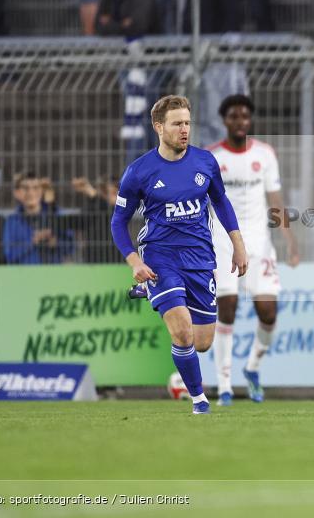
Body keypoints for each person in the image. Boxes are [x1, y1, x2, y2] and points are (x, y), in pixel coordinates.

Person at [110, 95, 248, 415]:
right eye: (177, 124)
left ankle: (149, 291)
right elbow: (118, 221)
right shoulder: (139, 171)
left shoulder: (205, 162)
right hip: (160, 256)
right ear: (159, 127)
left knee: (202, 343)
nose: (184, 129)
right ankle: (200, 401)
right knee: (182, 332)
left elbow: (222, 203)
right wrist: (134, 260)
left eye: (187, 123)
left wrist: (238, 244)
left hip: (200, 257)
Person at [207, 95, 300, 406]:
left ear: (250, 120)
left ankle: (252, 368)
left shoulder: (265, 154)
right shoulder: (212, 157)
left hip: (259, 242)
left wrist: (290, 240)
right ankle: (223, 388)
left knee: (268, 312)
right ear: (225, 120)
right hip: (223, 240)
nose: (240, 121)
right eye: (234, 116)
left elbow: (275, 200)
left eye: (245, 116)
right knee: (228, 307)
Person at [3, 173, 73, 264]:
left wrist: (56, 242)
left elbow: (71, 247)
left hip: (53, 274)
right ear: (17, 193)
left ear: (41, 191)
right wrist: (33, 241)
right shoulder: (11, 221)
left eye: (35, 188)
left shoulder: (56, 214)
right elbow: (9, 255)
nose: (31, 193)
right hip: (24, 276)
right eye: (25, 188)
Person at [70, 175, 120, 262]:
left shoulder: (119, 209)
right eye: (105, 193)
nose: (108, 197)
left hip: (114, 257)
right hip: (92, 258)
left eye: (114, 193)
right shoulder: (94, 207)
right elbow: (77, 222)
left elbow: (106, 206)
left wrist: (90, 190)